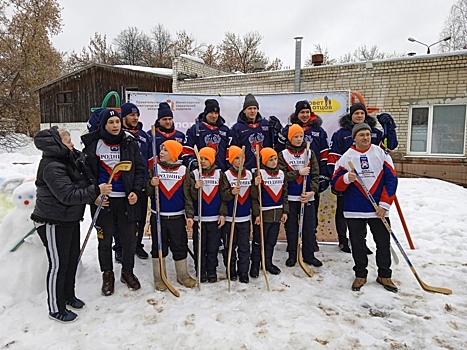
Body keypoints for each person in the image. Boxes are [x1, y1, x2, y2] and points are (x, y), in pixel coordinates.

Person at [31, 127, 112, 323]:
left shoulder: (69, 161)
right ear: (57, 145)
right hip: (52, 221)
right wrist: (96, 190)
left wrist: (92, 195)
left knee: (71, 260)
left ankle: (68, 296)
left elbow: (81, 184)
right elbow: (67, 195)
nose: (72, 145)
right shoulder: (52, 166)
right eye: (68, 142)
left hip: (70, 219)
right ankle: (55, 308)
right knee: (58, 264)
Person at [82, 109, 145, 296]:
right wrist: (95, 194)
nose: (115, 126)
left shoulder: (129, 143)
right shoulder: (94, 145)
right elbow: (85, 174)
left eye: (117, 122)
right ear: (103, 125)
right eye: (111, 123)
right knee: (105, 240)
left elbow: (139, 169)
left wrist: (135, 191)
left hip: (126, 201)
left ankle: (127, 272)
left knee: (129, 240)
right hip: (104, 201)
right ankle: (107, 274)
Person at [331, 123, 398, 292]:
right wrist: (346, 178)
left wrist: (384, 204)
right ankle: (360, 274)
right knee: (358, 244)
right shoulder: (347, 157)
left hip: (378, 209)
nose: (366, 137)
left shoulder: (380, 153)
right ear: (354, 138)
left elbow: (391, 179)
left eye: (368, 134)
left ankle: (385, 275)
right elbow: (335, 185)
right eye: (362, 135)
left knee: (383, 243)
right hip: (355, 209)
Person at [328, 102, 398, 253]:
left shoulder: (374, 133)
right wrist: (338, 180)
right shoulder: (341, 134)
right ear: (351, 115)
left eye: (362, 113)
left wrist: (390, 129)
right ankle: (343, 240)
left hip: (372, 183)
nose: (359, 116)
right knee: (343, 213)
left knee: (373, 225)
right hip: (349, 182)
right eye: (356, 113)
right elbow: (334, 158)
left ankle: (363, 245)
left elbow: (389, 147)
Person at [276, 100, 330, 251]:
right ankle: (293, 247)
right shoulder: (289, 130)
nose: (305, 115)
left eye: (307, 112)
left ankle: (310, 244)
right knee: (292, 220)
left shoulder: (319, 131)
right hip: (293, 188)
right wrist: (280, 136)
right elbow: (280, 153)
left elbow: (324, 154)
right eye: (302, 112)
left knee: (310, 219)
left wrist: (322, 177)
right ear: (297, 114)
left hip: (311, 179)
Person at [146, 140, 196, 291]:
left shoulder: (183, 170)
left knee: (180, 245)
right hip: (159, 217)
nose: (161, 152)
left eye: (166, 150)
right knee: (159, 247)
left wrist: (189, 215)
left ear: (174, 154)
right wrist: (151, 184)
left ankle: (183, 275)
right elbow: (148, 193)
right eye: (161, 149)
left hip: (177, 217)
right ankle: (159, 277)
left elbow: (187, 196)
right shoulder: (155, 169)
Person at [278, 124, 321, 267]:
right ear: (290, 138)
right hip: (290, 198)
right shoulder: (283, 154)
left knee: (308, 227)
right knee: (291, 228)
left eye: (301, 136)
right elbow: (282, 176)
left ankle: (309, 255)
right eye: (295, 136)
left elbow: (315, 174)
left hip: (306, 197)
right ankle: (292, 254)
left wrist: (312, 192)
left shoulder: (309, 153)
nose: (298, 139)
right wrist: (298, 173)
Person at [187, 147, 227, 283]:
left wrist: (222, 213)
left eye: (206, 159)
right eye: (201, 159)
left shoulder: (220, 174)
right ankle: (200, 270)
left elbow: (224, 197)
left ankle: (211, 270)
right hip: (199, 218)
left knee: (213, 247)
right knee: (200, 247)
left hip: (214, 218)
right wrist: (195, 187)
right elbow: (189, 197)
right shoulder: (193, 174)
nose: (203, 162)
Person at [119, 102, 153, 260]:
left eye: (137, 115)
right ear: (124, 116)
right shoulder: (119, 134)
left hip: (141, 183)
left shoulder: (144, 135)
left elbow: (150, 159)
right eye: (131, 115)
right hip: (124, 182)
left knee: (139, 217)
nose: (135, 117)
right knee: (122, 218)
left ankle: (137, 245)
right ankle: (119, 246)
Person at [250, 147, 288, 276]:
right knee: (259, 241)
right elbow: (254, 197)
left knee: (271, 241)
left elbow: (284, 194)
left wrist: (285, 211)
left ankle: (267, 262)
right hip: (263, 215)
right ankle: (255, 264)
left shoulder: (282, 174)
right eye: (270, 159)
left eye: (275, 159)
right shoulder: (259, 174)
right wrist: (256, 214)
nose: (273, 162)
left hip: (276, 214)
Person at [220, 146, 253, 284]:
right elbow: (223, 195)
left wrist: (257, 185)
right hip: (230, 218)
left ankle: (243, 271)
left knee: (244, 246)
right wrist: (231, 193)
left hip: (245, 218)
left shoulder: (250, 174)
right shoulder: (226, 175)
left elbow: (255, 197)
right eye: (236, 158)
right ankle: (230, 270)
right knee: (229, 246)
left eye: (242, 157)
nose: (240, 160)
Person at [230, 94, 276, 171]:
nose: (252, 111)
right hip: (247, 169)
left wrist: (277, 131)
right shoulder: (237, 128)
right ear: (244, 110)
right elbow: (234, 150)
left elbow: (274, 144)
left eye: (255, 108)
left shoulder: (266, 124)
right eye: (249, 108)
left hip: (265, 168)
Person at [182, 99, 230, 171]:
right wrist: (194, 163)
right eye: (211, 112)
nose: (214, 116)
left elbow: (230, 152)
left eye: (216, 113)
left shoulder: (225, 130)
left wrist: (228, 168)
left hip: (220, 173)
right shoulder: (195, 129)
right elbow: (187, 150)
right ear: (206, 113)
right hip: (201, 173)